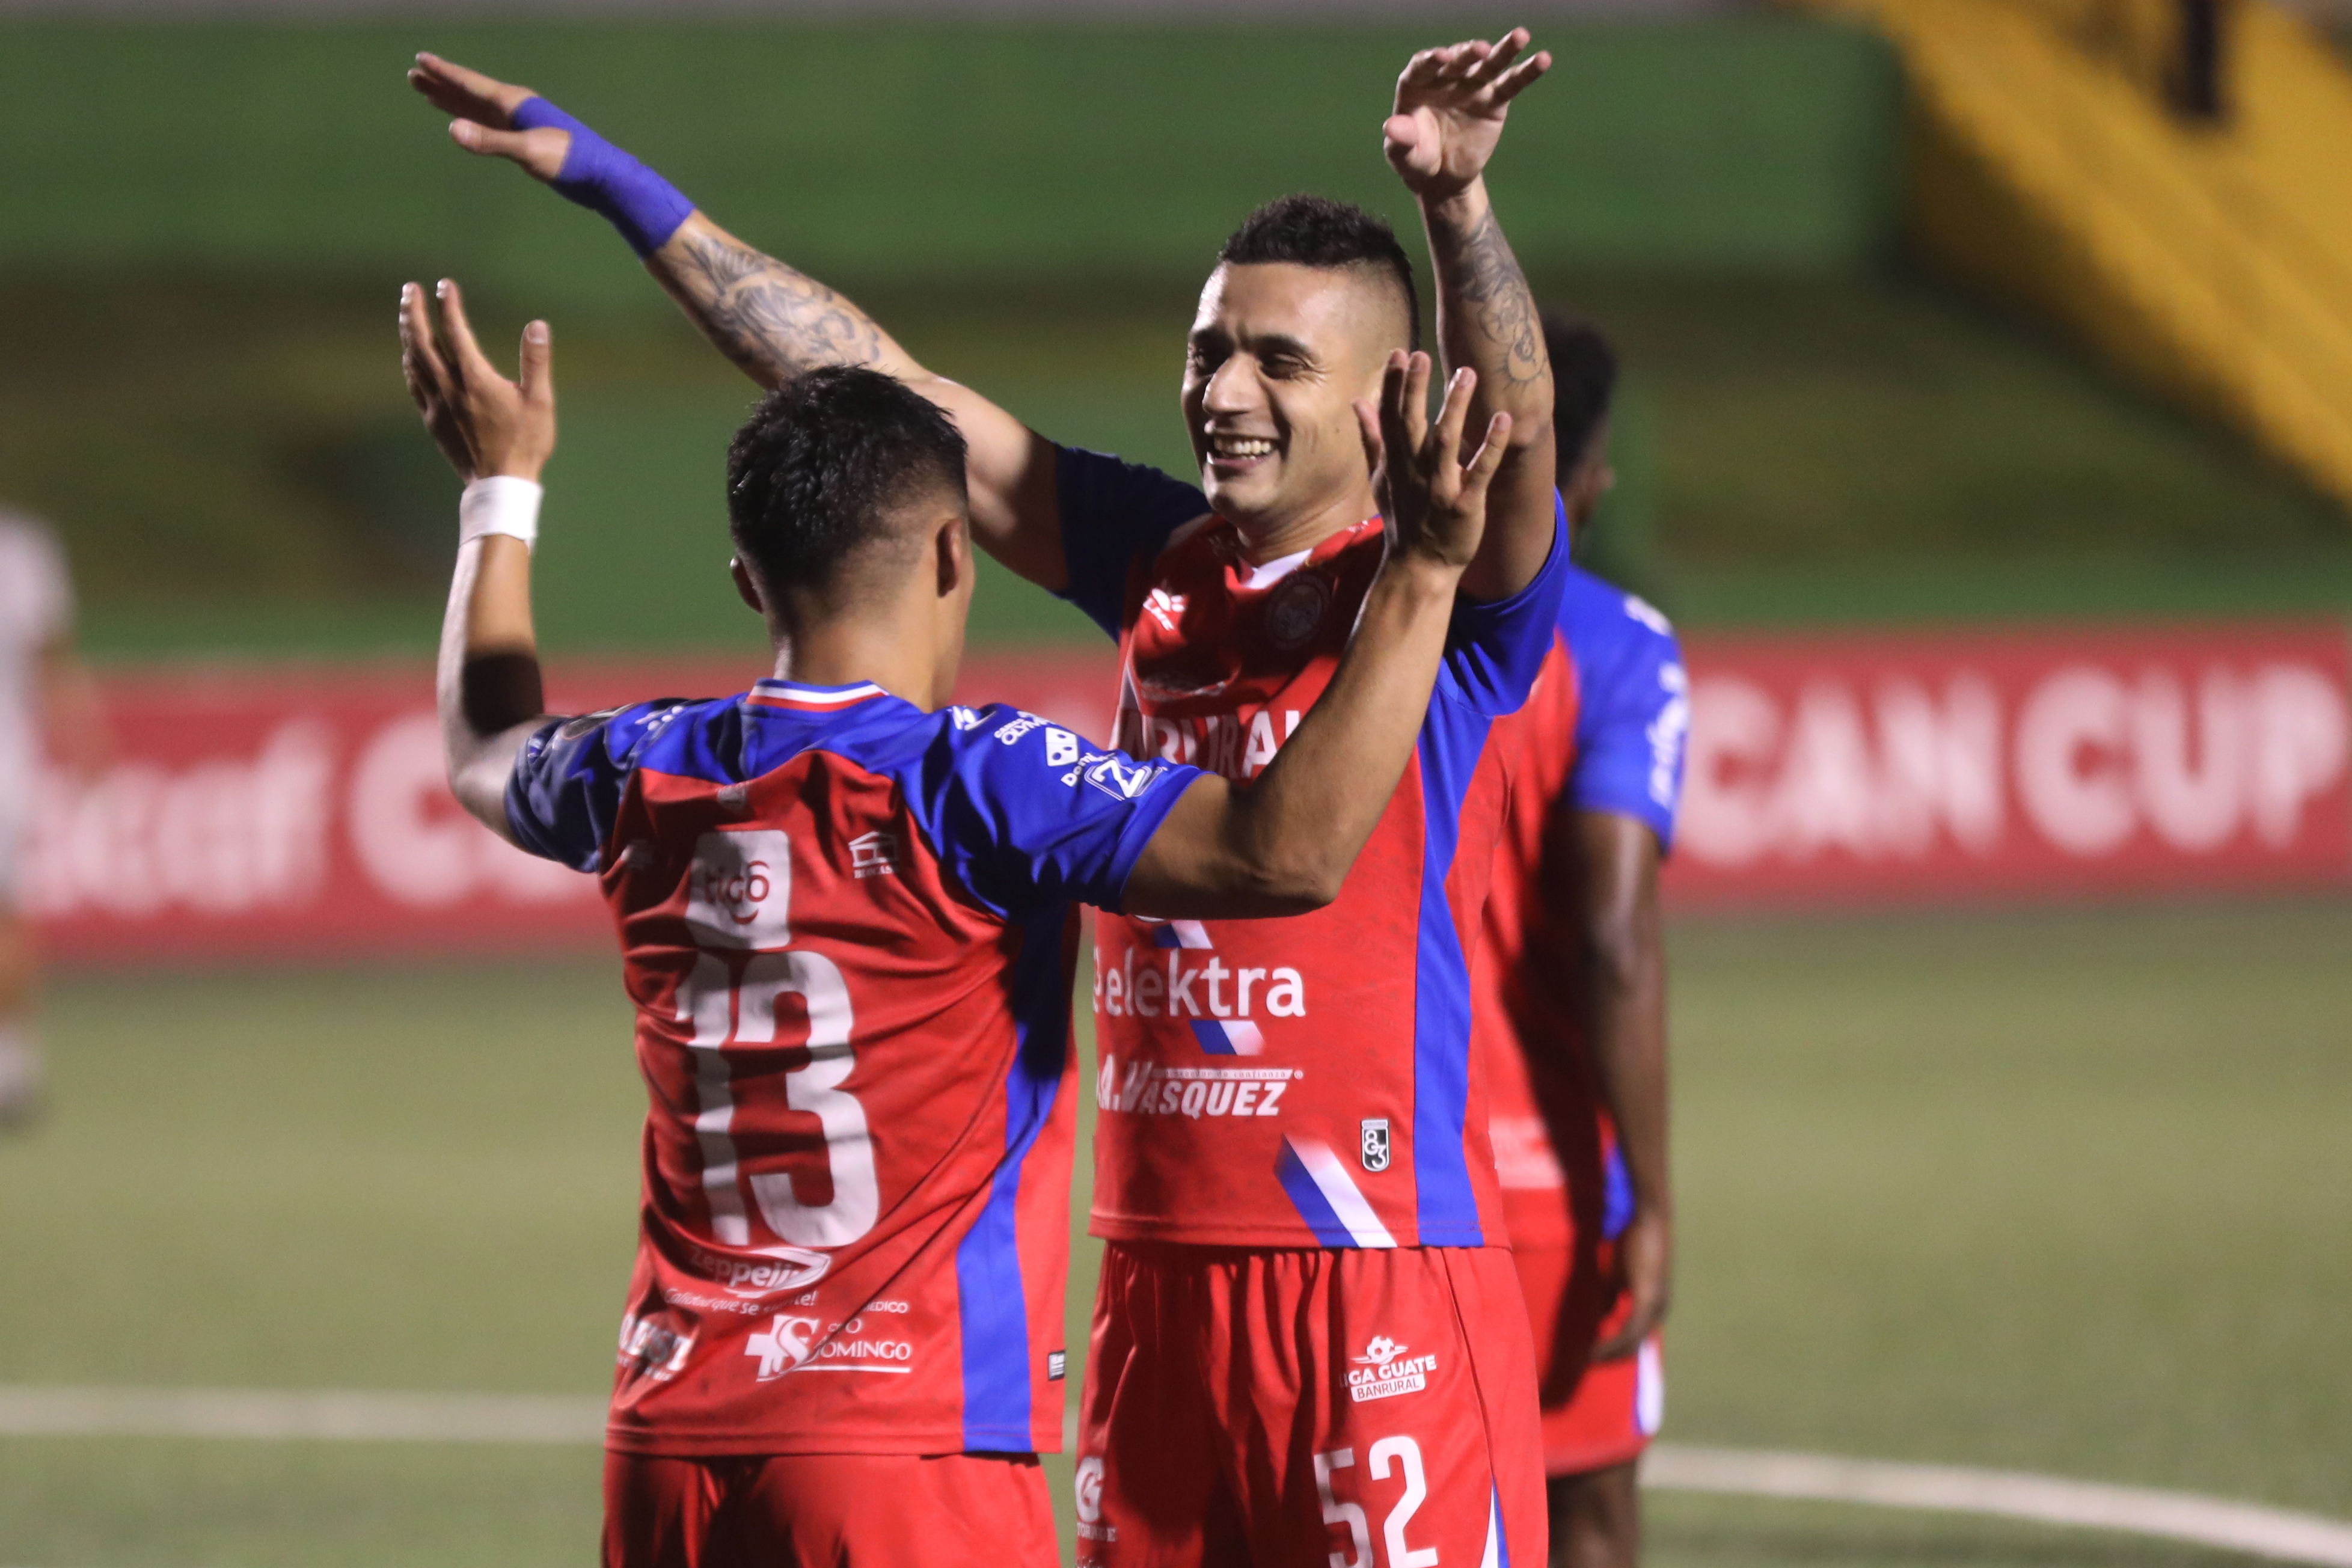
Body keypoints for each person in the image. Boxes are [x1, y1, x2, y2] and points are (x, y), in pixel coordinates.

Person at [410, 34, 1567, 1562]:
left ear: (1388, 398)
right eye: (1206, 347)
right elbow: (874, 398)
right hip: (1149, 1263)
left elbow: (1517, 429)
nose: (1218, 388)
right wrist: (630, 193)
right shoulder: (1151, 558)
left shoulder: (1445, 588)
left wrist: (1460, 210)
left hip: (1371, 1258)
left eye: (1274, 360)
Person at [1472, 314, 1688, 1568]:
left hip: (1384, 1175)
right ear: (1588, 480)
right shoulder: (1619, 648)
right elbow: (1615, 934)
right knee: (1587, 1518)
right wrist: (1652, 1200)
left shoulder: (1380, 631)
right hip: (1547, 1184)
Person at [0, 510, 106, 1126]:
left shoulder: (25, 547)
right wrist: (86, 735)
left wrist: (85, 735)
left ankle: (12, 1067)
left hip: (8, 757)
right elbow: (55, 664)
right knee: (8, 915)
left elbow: (52, 665)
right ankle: (11, 1066)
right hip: (7, 760)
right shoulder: (22, 549)